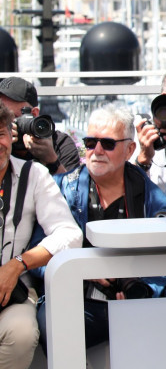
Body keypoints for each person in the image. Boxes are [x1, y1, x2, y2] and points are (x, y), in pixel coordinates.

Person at [36, 103, 166, 352]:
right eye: (90, 143)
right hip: (75, 298)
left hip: (134, 304)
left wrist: (143, 289)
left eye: (108, 144)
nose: (97, 150)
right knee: (52, 322)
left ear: (130, 149)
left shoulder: (151, 197)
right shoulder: (59, 188)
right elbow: (37, 253)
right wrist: (75, 270)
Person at [0, 102, 82, 369]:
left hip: (12, 292)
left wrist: (18, 265)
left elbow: (70, 234)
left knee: (22, 334)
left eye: (1, 133)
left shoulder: (32, 173)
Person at [0, 76, 81, 175]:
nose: (5, 124)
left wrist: (51, 160)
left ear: (34, 114)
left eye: (10, 118)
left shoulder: (59, 144)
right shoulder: (2, 143)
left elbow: (71, 188)